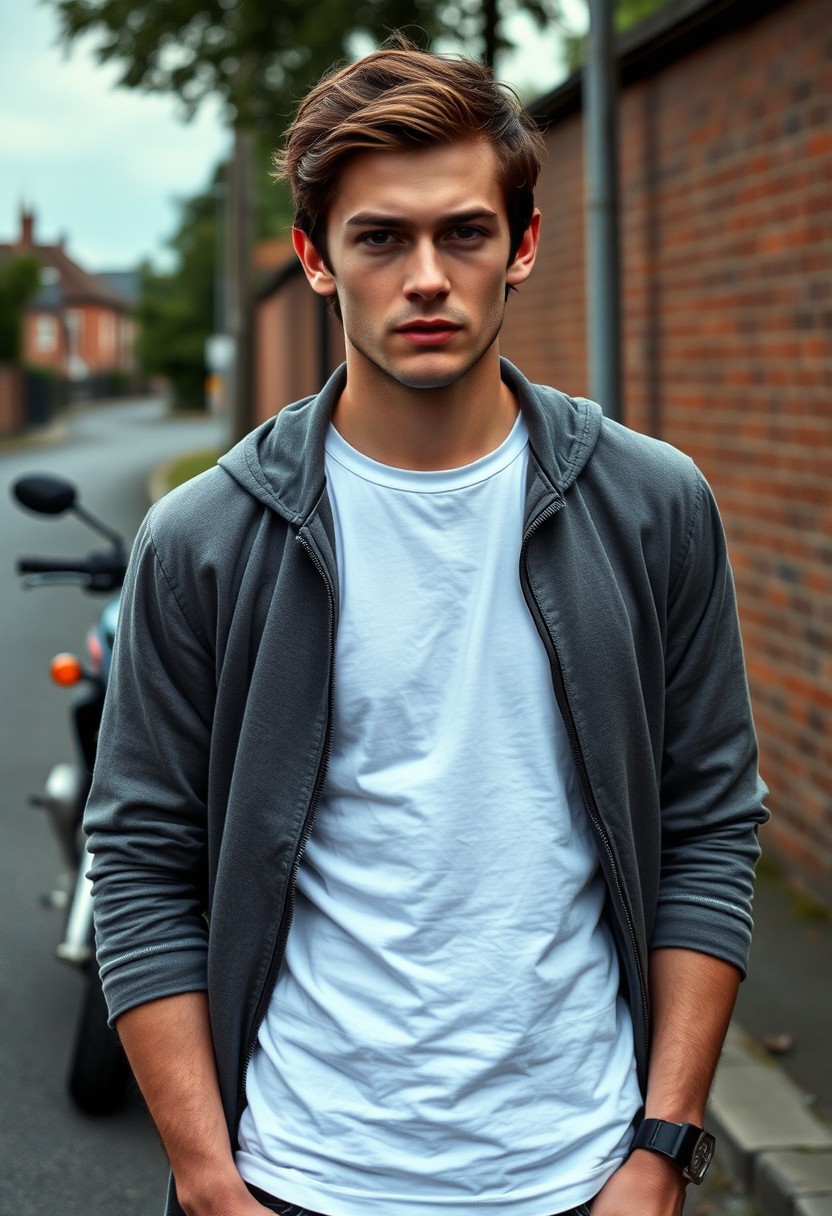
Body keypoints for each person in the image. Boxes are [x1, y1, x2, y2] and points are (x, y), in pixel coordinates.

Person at [85, 41, 768, 1216]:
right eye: (379, 237)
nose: (425, 278)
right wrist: (209, 1180)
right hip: (300, 1176)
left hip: (580, 1174)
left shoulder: (651, 505)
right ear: (314, 257)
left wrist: (660, 1147)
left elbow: (707, 820)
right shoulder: (205, 538)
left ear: (525, 245)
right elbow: (142, 861)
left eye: (462, 232)